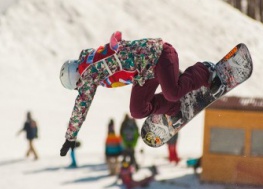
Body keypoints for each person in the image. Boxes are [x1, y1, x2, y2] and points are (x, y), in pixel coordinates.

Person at [59, 31, 221, 156]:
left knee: (172, 92)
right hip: (145, 72)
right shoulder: (90, 63)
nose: (80, 89)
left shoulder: (88, 72)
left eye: (77, 86)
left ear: (75, 78)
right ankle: (174, 107)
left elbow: (82, 105)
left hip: (160, 55)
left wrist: (70, 137)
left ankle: (204, 70)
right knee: (138, 110)